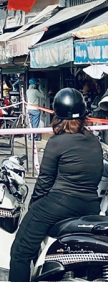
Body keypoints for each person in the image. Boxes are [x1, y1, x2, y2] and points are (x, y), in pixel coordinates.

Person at [9, 88, 103, 282]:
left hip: (59, 204)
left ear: (57, 115)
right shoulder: (94, 140)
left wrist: (33, 207)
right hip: (91, 205)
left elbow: (44, 182)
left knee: (20, 251)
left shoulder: (57, 142)